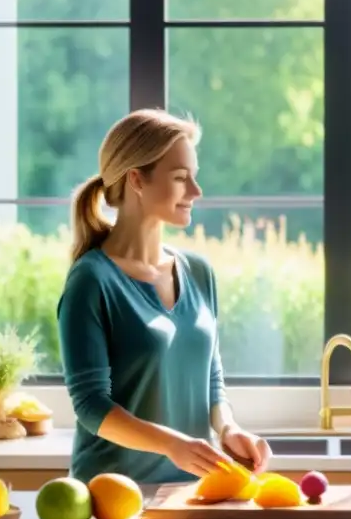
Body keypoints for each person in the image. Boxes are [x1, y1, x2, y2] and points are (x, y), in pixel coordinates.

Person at [57, 108, 273, 486]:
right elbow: (91, 406)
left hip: (190, 490)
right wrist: (173, 444)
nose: (196, 191)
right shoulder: (91, 281)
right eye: (180, 178)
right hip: (112, 496)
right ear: (137, 180)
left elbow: (210, 377)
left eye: (195, 177)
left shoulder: (199, 272)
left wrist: (227, 428)